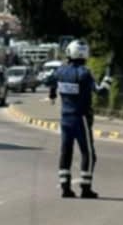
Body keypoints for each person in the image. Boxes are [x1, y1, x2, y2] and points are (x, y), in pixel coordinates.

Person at [48, 39, 113, 198]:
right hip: (81, 118)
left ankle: (65, 187)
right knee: (88, 153)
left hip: (65, 119)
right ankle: (86, 188)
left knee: (66, 152)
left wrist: (52, 95)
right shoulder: (85, 73)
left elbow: (51, 82)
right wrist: (108, 80)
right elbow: (100, 91)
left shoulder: (61, 71)